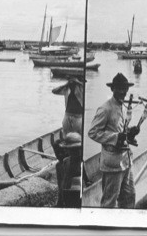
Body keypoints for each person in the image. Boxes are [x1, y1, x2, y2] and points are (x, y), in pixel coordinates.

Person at [88, 73, 140, 208]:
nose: (123, 92)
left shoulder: (123, 107)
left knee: (129, 198)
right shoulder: (105, 108)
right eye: (119, 88)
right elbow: (93, 132)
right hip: (112, 165)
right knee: (109, 202)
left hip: (126, 162)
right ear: (113, 89)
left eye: (125, 88)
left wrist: (130, 133)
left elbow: (122, 131)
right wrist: (115, 137)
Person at [51, 76, 84, 207]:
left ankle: (74, 157)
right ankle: (67, 156)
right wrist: (66, 85)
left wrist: (78, 84)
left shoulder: (81, 88)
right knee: (66, 141)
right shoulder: (66, 89)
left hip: (79, 118)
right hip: (68, 117)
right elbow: (54, 91)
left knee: (77, 141)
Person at [59, 132, 82, 208]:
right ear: (67, 150)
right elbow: (64, 181)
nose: (77, 152)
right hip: (68, 195)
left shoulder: (82, 163)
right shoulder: (66, 162)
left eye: (78, 149)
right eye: (73, 150)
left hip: (79, 195)